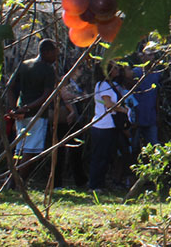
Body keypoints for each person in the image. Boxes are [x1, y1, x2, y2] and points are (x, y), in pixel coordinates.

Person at [6, 38, 59, 182]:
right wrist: (28, 108)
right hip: (36, 115)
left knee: (20, 148)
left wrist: (15, 108)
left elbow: (10, 87)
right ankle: (18, 181)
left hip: (20, 115)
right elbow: (46, 95)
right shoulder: (48, 70)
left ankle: (13, 179)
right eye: (54, 53)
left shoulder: (24, 65)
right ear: (46, 52)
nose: (56, 56)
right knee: (30, 150)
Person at [88, 62, 129, 192]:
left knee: (105, 156)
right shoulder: (104, 85)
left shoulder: (109, 85)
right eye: (115, 68)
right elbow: (108, 103)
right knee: (99, 156)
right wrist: (123, 110)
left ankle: (100, 183)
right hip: (102, 126)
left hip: (108, 125)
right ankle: (94, 185)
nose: (118, 70)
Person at [53, 67, 88, 189]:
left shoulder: (75, 83)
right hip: (64, 120)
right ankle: (56, 182)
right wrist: (72, 109)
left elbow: (83, 96)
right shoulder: (63, 81)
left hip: (75, 120)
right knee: (60, 151)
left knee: (76, 150)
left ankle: (80, 180)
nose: (80, 71)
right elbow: (65, 96)